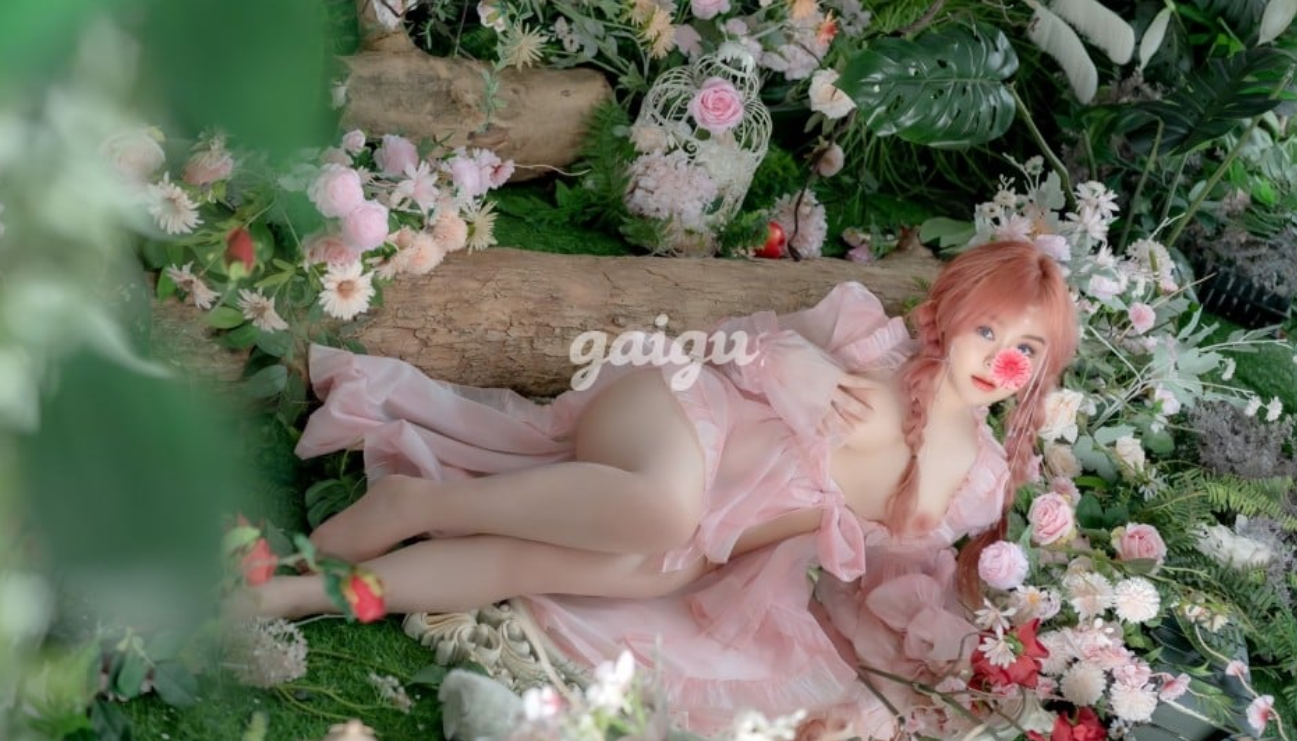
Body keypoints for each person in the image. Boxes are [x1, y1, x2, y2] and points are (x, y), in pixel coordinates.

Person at [248, 239, 1078, 736]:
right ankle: (431, 503)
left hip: (703, 543)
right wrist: (790, 359)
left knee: (580, 563)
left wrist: (958, 646)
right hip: (675, 417)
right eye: (985, 327)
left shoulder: (978, 481)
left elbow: (889, 579)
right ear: (949, 313)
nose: (997, 357)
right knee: (665, 510)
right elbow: (722, 344)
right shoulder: (871, 339)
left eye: (1025, 348)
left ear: (1043, 367)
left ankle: (296, 592)